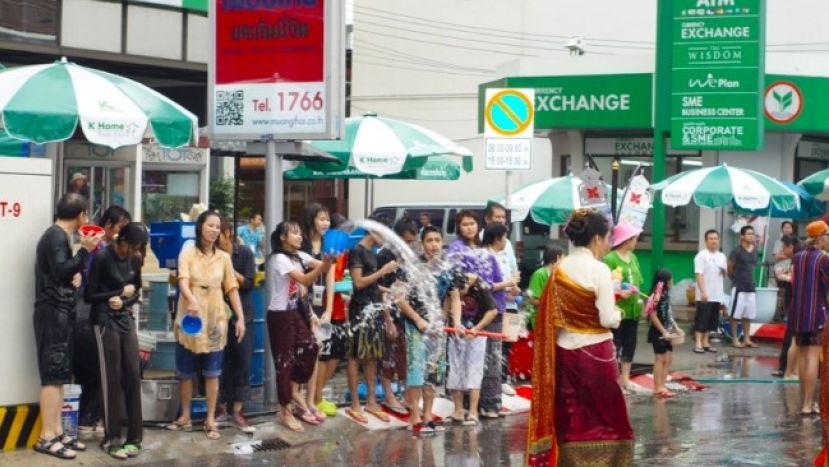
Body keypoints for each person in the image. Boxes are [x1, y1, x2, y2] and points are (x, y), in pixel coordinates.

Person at [527, 210, 632, 467]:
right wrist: (618, 313)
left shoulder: (558, 269)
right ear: (596, 238)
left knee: (572, 416)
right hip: (597, 354)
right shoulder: (600, 270)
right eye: (607, 238)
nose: (608, 244)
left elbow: (549, 315)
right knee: (606, 418)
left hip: (566, 355)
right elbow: (607, 318)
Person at [166, 211, 246, 441]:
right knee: (185, 371)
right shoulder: (188, 252)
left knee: (212, 372)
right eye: (210, 225)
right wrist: (191, 299)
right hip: (190, 317)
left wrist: (239, 318)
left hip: (215, 318)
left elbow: (231, 288)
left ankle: (211, 419)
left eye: (217, 227)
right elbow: (182, 279)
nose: (213, 230)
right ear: (200, 227)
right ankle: (185, 417)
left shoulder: (224, 258)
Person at [33, 193, 101, 460]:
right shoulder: (57, 236)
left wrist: (73, 273)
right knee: (52, 375)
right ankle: (46, 437)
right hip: (53, 314)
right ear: (82, 215)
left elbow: (61, 272)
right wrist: (84, 249)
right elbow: (61, 270)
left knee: (60, 374)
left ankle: (58, 432)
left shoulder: (56, 236)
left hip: (59, 312)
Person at [85, 223, 147, 459]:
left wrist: (126, 302)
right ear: (122, 240)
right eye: (133, 246)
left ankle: (134, 437)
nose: (135, 251)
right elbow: (89, 295)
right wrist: (117, 294)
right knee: (110, 377)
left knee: (133, 373)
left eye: (139, 248)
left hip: (124, 318)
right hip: (103, 320)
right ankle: (111, 438)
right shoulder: (102, 258)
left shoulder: (136, 260)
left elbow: (136, 292)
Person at [266, 221, 333, 432]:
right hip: (280, 315)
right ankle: (284, 410)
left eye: (299, 232)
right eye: (294, 233)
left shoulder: (300, 256)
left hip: (295, 313)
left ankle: (293, 390)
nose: (299, 236)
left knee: (312, 346)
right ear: (282, 237)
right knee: (284, 361)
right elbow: (304, 278)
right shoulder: (279, 259)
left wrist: (330, 258)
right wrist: (325, 264)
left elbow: (322, 266)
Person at [396, 226, 464, 433]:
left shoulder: (448, 268)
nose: (434, 245)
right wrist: (417, 319)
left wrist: (455, 322)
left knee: (434, 372)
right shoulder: (411, 266)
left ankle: (428, 415)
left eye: (437, 240)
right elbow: (398, 297)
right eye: (429, 241)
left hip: (436, 327)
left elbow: (455, 298)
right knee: (417, 371)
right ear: (422, 243)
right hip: (414, 324)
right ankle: (415, 416)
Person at [74, 206, 131, 434]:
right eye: (120, 227)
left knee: (94, 370)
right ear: (108, 226)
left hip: (95, 313)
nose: (123, 233)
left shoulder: (111, 250)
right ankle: (89, 418)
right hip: (90, 315)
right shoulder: (100, 250)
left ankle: (89, 417)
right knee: (97, 368)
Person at [345, 228, 399, 424]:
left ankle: (371, 401)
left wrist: (389, 291)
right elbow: (358, 283)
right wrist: (383, 271)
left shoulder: (372, 254)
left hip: (374, 307)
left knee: (373, 356)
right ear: (373, 231)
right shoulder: (357, 251)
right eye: (383, 234)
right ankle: (355, 403)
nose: (384, 240)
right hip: (360, 308)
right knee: (355, 355)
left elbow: (371, 284)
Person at [216, 217, 258, 433]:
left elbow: (250, 283)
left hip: (244, 314)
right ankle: (221, 409)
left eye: (218, 233)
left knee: (243, 362)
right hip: (218, 315)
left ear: (227, 233)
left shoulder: (244, 253)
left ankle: (238, 411)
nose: (215, 238)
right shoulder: (211, 254)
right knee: (221, 363)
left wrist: (229, 270)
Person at [445, 258, 498, 427]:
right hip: (455, 333)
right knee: (455, 370)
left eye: (463, 291)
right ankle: (458, 410)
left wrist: (476, 329)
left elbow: (493, 311)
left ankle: (473, 411)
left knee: (474, 371)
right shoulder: (452, 282)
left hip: (477, 332)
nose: (460, 295)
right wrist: (455, 325)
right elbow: (450, 305)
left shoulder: (480, 286)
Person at [297, 203, 335, 423]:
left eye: (327, 219)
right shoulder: (300, 242)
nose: (326, 223)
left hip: (322, 308)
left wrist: (329, 309)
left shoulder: (329, 244)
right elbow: (299, 280)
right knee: (301, 354)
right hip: (303, 305)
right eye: (321, 219)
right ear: (311, 220)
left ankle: (311, 400)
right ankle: (298, 399)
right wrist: (310, 311)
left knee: (317, 353)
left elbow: (330, 276)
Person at [377, 217, 418, 416]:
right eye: (406, 241)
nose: (408, 245)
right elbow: (381, 290)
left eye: (411, 242)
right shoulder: (386, 256)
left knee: (403, 355)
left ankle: (405, 395)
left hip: (404, 312)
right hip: (389, 312)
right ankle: (388, 395)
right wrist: (387, 319)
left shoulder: (407, 256)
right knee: (389, 356)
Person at [789, 221, 829, 415]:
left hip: (798, 313)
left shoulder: (797, 257)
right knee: (812, 358)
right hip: (816, 313)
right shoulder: (823, 259)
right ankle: (807, 403)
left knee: (803, 358)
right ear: (821, 237)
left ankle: (805, 403)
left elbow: (793, 283)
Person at [313, 214, 349, 417]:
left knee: (335, 355)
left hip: (338, 310)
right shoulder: (328, 250)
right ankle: (316, 397)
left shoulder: (343, 251)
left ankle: (319, 394)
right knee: (323, 355)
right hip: (326, 310)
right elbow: (329, 279)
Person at [482, 203, 520, 396]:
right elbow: (486, 283)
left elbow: (514, 268)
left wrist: (515, 286)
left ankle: (503, 379)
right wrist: (506, 286)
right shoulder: (485, 242)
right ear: (488, 219)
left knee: (508, 340)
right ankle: (490, 385)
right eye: (497, 217)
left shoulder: (508, 243)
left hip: (510, 300)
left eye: (503, 217)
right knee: (492, 344)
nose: (501, 221)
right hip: (493, 302)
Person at [603, 222, 644, 392]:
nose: (636, 242)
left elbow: (638, 281)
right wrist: (619, 293)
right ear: (627, 240)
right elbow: (605, 284)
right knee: (615, 345)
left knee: (630, 344)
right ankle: (612, 378)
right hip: (617, 310)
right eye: (634, 239)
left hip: (633, 309)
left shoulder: (633, 258)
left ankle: (625, 378)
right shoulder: (610, 259)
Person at [478, 223, 512, 418]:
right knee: (492, 356)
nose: (506, 241)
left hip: (497, 308)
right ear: (497, 238)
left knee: (495, 356)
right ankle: (489, 403)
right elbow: (486, 285)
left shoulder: (492, 256)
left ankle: (492, 402)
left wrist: (508, 289)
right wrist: (506, 283)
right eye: (504, 237)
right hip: (491, 311)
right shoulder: (487, 256)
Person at [647, 269, 684, 399]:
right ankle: (657, 387)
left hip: (667, 331)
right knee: (660, 358)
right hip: (658, 332)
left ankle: (663, 384)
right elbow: (653, 316)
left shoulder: (666, 295)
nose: (672, 282)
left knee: (668, 358)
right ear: (666, 282)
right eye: (671, 280)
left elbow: (669, 313)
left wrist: (676, 327)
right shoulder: (655, 296)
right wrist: (663, 331)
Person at [693, 229, 727, 354]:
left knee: (712, 320)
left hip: (716, 293)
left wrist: (724, 271)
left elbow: (724, 274)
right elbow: (699, 274)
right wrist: (703, 292)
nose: (714, 241)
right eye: (711, 238)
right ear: (706, 241)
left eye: (716, 238)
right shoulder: (701, 256)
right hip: (705, 293)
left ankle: (706, 342)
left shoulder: (721, 256)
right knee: (701, 318)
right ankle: (698, 342)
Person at [772, 234, 802, 379]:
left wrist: (787, 277)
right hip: (797, 302)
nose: (783, 251)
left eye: (784, 248)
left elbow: (797, 281)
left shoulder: (799, 259)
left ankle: (787, 369)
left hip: (797, 303)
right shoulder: (798, 259)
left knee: (792, 338)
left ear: (791, 247)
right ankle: (790, 370)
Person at [727, 225, 759, 348]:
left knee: (748, 314)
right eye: (749, 234)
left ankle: (747, 338)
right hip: (739, 286)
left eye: (753, 234)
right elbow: (730, 267)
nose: (751, 236)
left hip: (750, 286)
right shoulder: (737, 251)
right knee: (735, 314)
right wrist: (735, 279)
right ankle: (735, 339)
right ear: (742, 236)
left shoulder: (755, 250)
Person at [526, 245, 565, 332]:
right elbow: (532, 299)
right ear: (557, 258)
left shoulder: (558, 274)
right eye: (563, 258)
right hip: (538, 319)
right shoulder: (539, 274)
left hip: (551, 319)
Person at [772, 221, 795, 320]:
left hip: (792, 270)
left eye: (789, 227)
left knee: (791, 292)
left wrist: (785, 255)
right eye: (785, 227)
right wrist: (790, 254)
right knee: (782, 292)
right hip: (780, 270)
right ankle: (781, 313)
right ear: (782, 229)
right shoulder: (779, 242)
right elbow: (777, 256)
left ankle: (789, 313)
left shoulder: (795, 241)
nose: (787, 229)